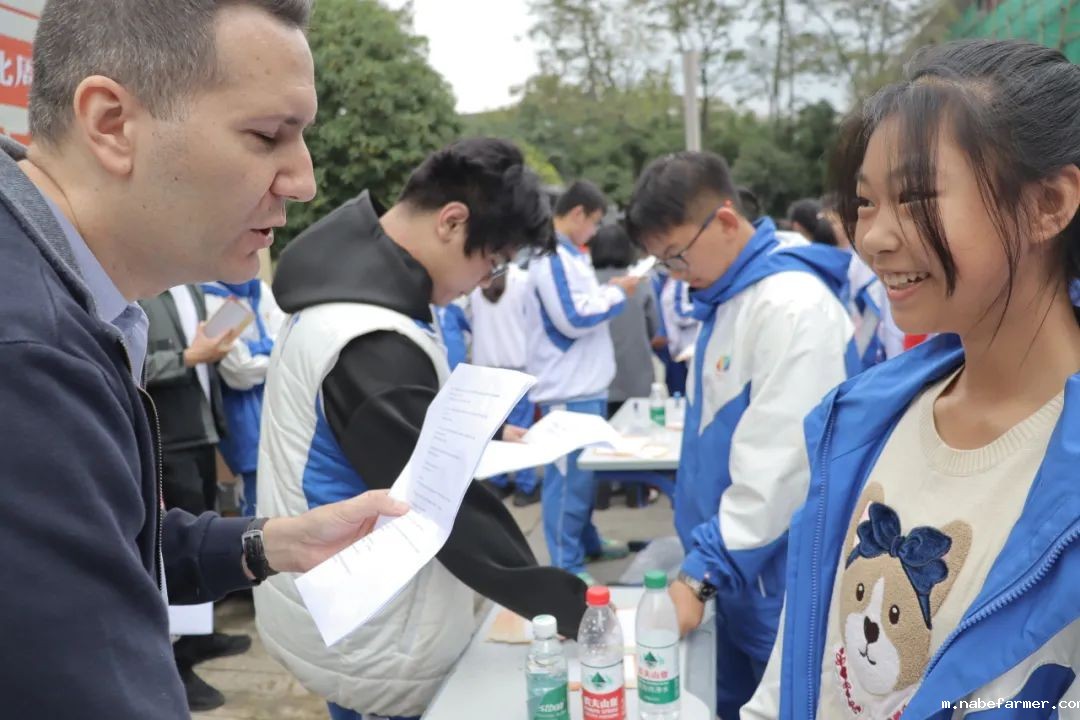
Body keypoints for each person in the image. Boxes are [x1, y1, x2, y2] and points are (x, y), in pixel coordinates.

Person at [0, 2, 408, 716]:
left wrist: (266, 543)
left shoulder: (58, 294)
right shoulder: (29, 355)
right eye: (266, 135)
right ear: (111, 124)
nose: (304, 179)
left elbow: (108, 537)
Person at [744, 39, 1080, 719]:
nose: (873, 237)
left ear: (1048, 203)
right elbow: (798, 673)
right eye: (865, 202)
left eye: (916, 196)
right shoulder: (863, 421)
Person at [254, 138, 588, 720]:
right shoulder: (371, 339)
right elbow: (436, 504)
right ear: (452, 222)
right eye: (492, 260)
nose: (485, 280)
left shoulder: (337, 299)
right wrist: (566, 606)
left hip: (336, 603)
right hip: (369, 620)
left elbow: (377, 437)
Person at [626, 151, 858, 718]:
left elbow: (783, 468)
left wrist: (702, 573)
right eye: (663, 263)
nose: (677, 275)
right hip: (740, 580)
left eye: (677, 255)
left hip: (775, 584)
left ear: (726, 222)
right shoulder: (734, 296)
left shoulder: (791, 306)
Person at [142, 284, 252, 712]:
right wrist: (187, 358)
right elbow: (124, 359)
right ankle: (178, 661)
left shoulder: (188, 288)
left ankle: (201, 635)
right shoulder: (137, 294)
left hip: (202, 429)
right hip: (171, 435)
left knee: (203, 530)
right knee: (176, 544)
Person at [525, 180, 640, 584]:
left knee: (583, 480)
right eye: (593, 222)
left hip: (584, 388)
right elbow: (573, 319)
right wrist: (617, 293)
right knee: (568, 484)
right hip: (566, 393)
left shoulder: (570, 255)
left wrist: (609, 292)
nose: (595, 231)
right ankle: (565, 564)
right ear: (577, 214)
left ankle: (585, 542)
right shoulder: (552, 257)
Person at [202, 278, 287, 516]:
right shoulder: (208, 298)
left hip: (279, 409)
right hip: (244, 423)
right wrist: (272, 349)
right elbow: (239, 372)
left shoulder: (259, 289)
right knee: (257, 506)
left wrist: (255, 349)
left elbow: (289, 343)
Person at [468, 263, 541, 506]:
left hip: (486, 367)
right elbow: (534, 323)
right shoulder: (522, 281)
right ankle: (525, 487)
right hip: (518, 364)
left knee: (494, 427)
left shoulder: (476, 283)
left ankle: (497, 482)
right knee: (520, 429)